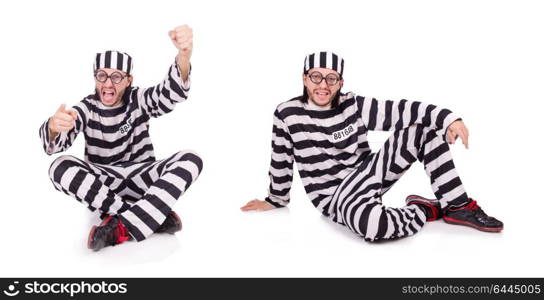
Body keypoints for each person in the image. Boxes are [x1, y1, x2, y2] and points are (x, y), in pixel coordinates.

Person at [241, 51, 503, 242]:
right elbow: (281, 158)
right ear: (305, 78)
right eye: (316, 77)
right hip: (334, 198)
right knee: (374, 226)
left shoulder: (352, 104)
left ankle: (457, 206)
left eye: (331, 79)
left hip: (368, 173)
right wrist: (276, 199)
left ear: (340, 83)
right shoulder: (287, 113)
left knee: (424, 128)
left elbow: (400, 110)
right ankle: (424, 209)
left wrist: (449, 118)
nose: (323, 84)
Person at [39, 25, 203, 251]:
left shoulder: (139, 99)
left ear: (128, 80)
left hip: (142, 176)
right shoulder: (86, 107)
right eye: (102, 76)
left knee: (191, 159)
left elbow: (171, 94)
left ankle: (121, 224)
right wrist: (53, 127)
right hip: (106, 184)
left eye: (116, 77)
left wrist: (184, 55)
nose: (108, 83)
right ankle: (150, 215)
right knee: (58, 167)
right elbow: (55, 145)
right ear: (95, 79)